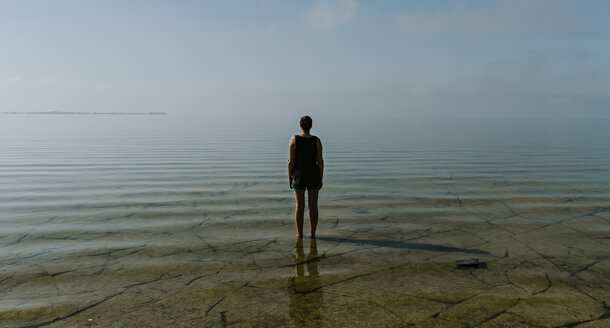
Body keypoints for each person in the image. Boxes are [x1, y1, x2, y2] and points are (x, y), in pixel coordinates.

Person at [288, 115, 324, 238]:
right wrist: (321, 178)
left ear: (300, 126)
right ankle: (312, 234)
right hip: (314, 176)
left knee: (299, 206)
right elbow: (320, 161)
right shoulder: (316, 141)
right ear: (311, 126)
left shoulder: (294, 140)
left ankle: (299, 234)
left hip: (298, 176)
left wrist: (289, 178)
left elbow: (291, 162)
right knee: (313, 206)